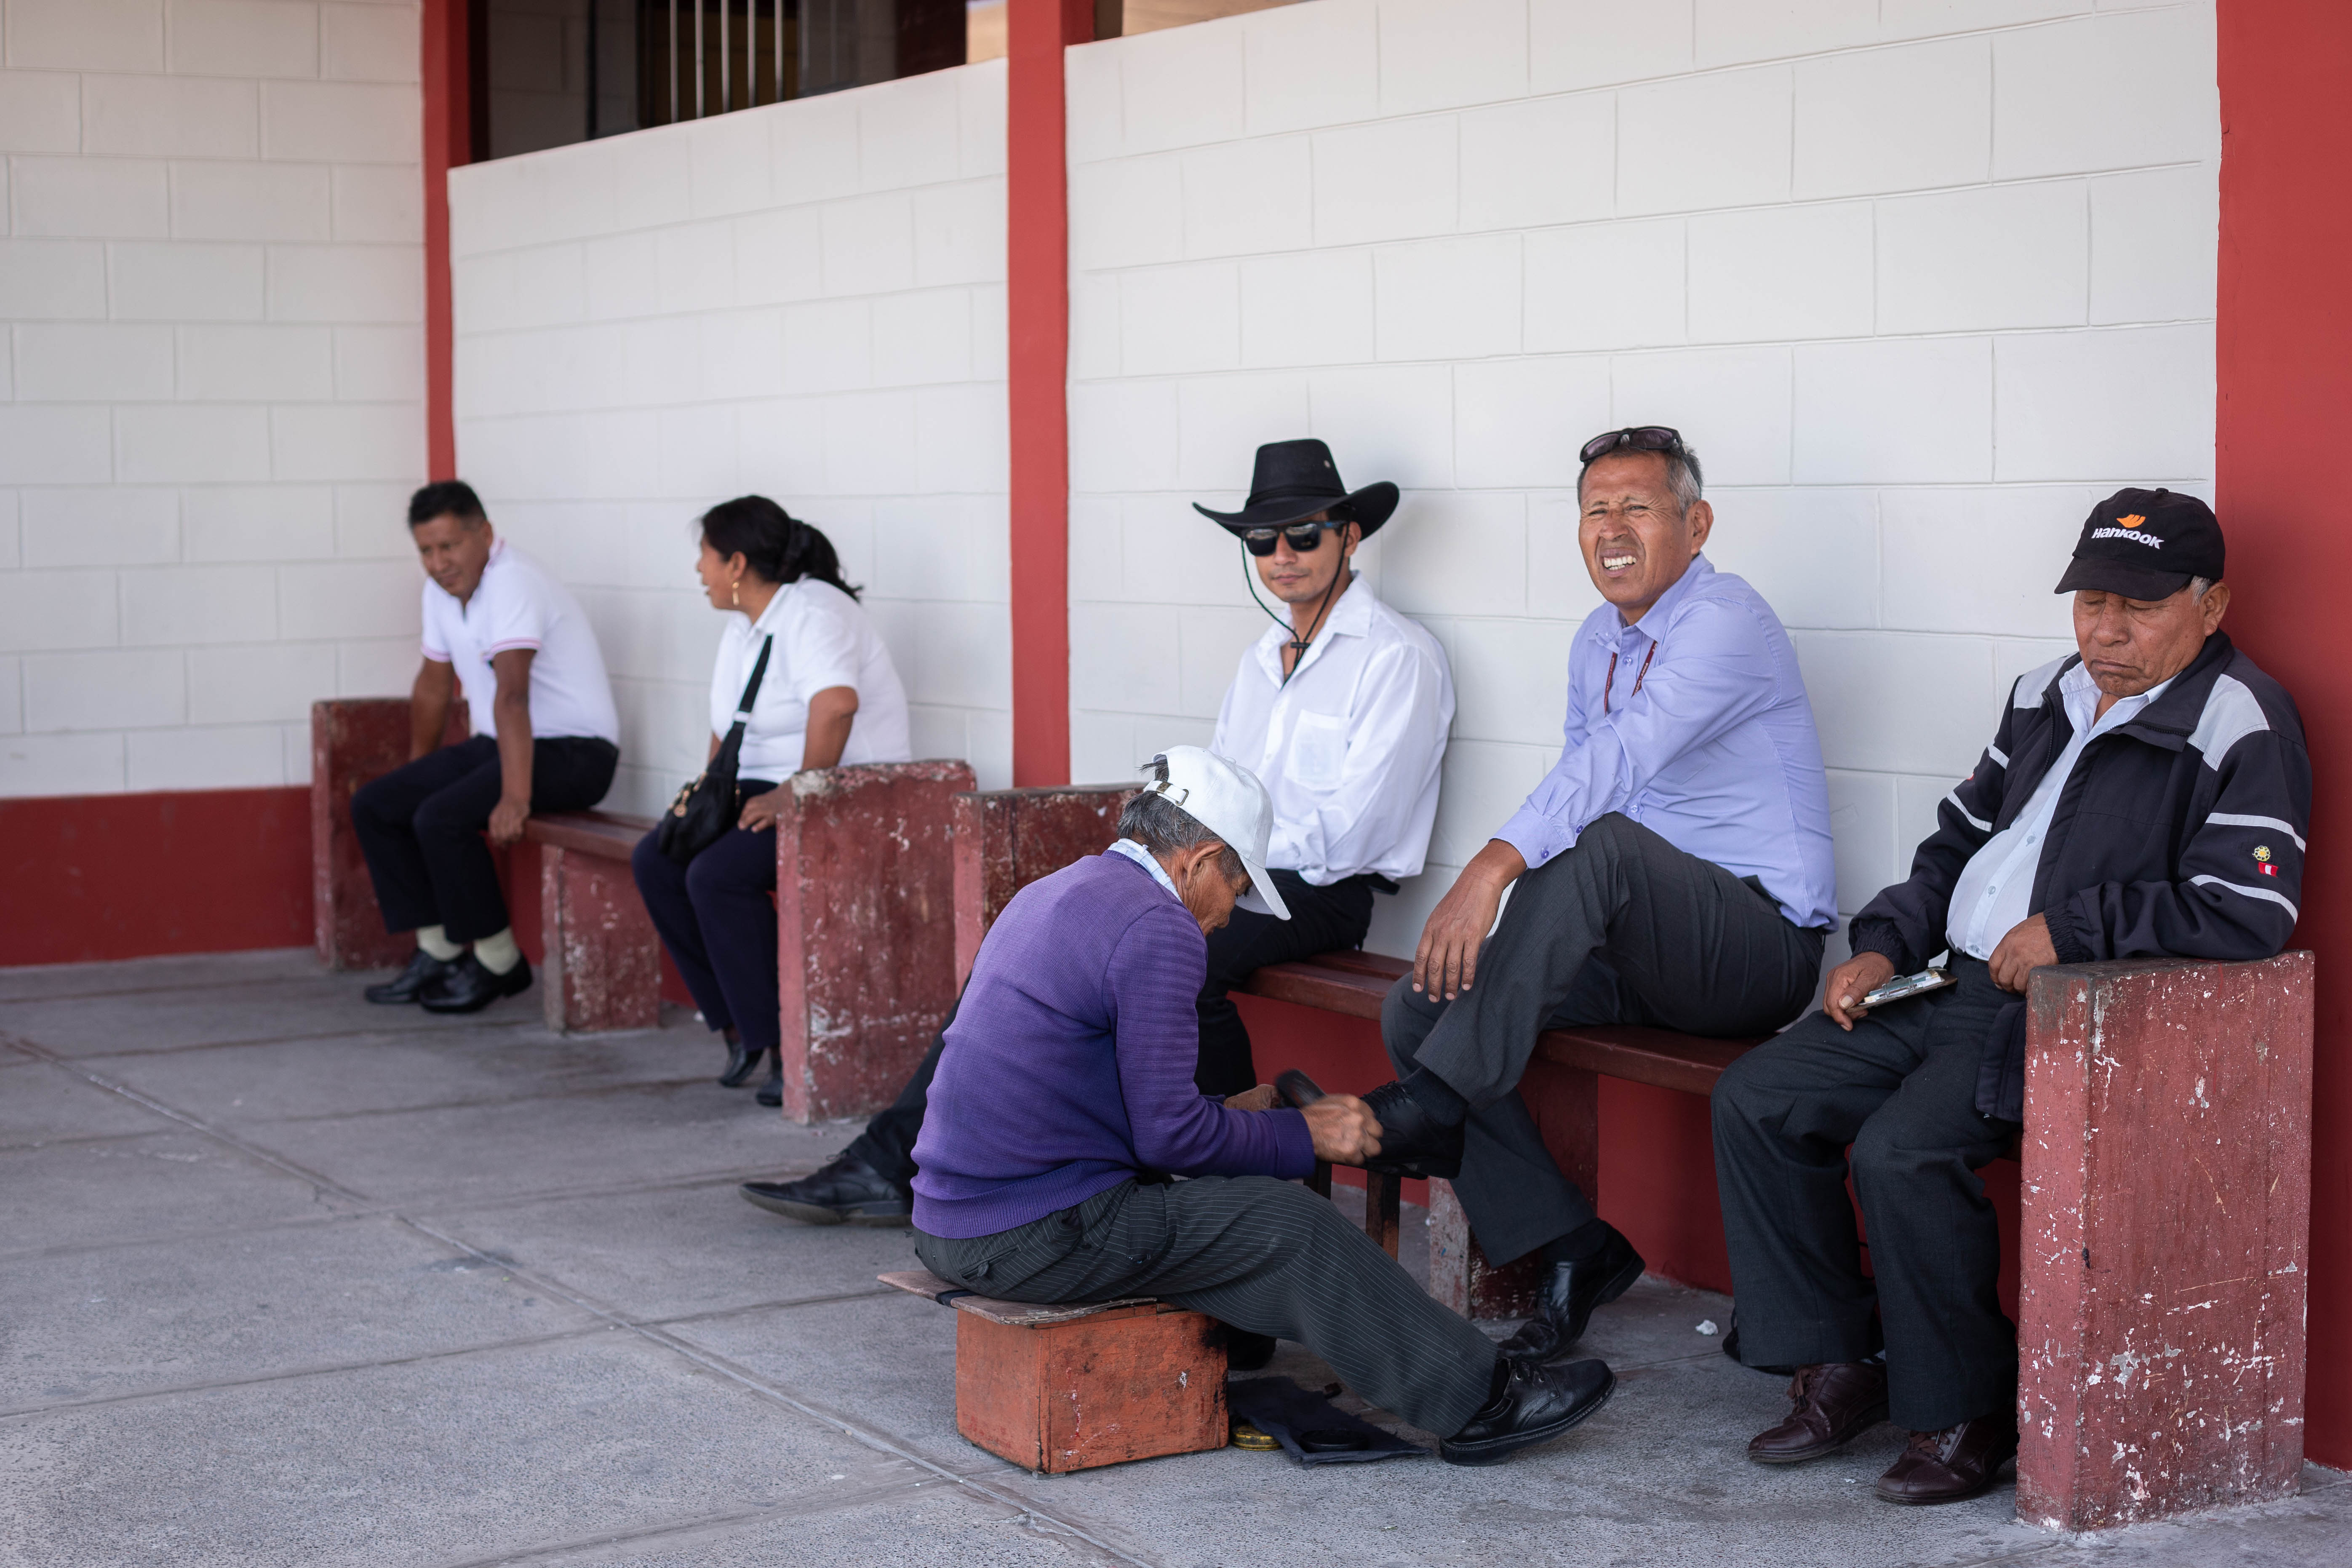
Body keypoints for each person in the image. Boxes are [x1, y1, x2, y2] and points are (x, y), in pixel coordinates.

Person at [1711, 489, 2308, 1506]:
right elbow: (1954, 839)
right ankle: (1839, 1359)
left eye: (2138, 606)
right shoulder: (2043, 690)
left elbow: (2246, 905)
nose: (2104, 630)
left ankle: (1964, 1410)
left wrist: (2073, 932)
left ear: (2208, 607)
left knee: (1904, 1151)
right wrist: (1881, 940)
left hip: (2057, 1014)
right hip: (1937, 976)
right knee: (1757, 1096)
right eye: (2088, 602)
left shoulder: (2236, 716)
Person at [738, 438, 1453, 1222]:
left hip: (1319, 893)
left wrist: (1213, 866)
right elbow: (1211, 792)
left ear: (1351, 536)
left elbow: (1352, 833)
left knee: (1174, 952)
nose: (1281, 554)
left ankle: (1236, 1184)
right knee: (1052, 935)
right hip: (1220, 873)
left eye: (1305, 534)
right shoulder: (1259, 659)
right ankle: (905, 1156)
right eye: (1261, 539)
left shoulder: (1398, 657)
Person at [910, 746, 1616, 1466]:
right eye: (1238, 885)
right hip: (1026, 1235)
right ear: (1201, 859)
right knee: (1291, 1224)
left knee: (1228, 1193)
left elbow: (1083, 1092)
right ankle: (1482, 1399)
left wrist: (1231, 1112)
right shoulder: (1161, 926)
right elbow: (1168, 1140)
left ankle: (1251, 1336)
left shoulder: (1058, 889)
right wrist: (1304, 1132)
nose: (1226, 917)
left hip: (952, 1217)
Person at [1332, 427, 1837, 1366]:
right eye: (1593, 509)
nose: (1611, 527)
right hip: (1637, 945)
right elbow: (1578, 786)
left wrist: (1487, 869)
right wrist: (1498, 900)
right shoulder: (1594, 640)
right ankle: (1572, 1246)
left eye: (1636, 507)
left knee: (1597, 842)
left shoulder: (1728, 619)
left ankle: (1434, 1104)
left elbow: (1613, 766)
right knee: (1421, 1007)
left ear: (1695, 523)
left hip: (1752, 949)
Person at [630, 497, 911, 1106]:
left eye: (703, 557)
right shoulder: (745, 621)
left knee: (718, 875)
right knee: (658, 859)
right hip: (760, 784)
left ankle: (787, 1043)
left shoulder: (814, 610)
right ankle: (739, 1024)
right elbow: (726, 726)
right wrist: (706, 800)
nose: (697, 571)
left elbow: (836, 705)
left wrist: (797, 791)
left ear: (735, 562)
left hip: (844, 787)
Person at [354, 481, 620, 1013]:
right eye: (426, 551)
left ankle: (500, 961)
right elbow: (433, 684)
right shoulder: (442, 592)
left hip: (576, 752)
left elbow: (513, 695)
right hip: (503, 743)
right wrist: (418, 769)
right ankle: (439, 951)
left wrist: (516, 797)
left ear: (485, 536)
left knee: (440, 818)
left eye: (449, 546)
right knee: (379, 804)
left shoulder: (513, 583)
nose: (438, 562)